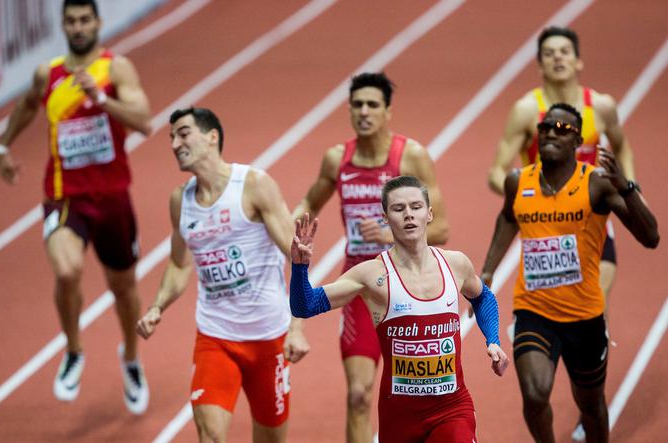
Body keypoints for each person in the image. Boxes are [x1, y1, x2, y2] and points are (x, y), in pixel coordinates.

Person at [0, 0, 151, 414]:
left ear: (98, 22)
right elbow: (28, 105)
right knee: (66, 270)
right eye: (71, 21)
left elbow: (143, 120)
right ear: (63, 26)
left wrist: (101, 99)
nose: (78, 27)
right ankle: (75, 350)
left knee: (123, 289)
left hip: (114, 197)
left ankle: (131, 358)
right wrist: (5, 144)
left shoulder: (116, 69)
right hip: (66, 196)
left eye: (85, 19)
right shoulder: (50, 73)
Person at [486, 27, 637, 439]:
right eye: (549, 52)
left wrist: (629, 188)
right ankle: (563, 361)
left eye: (565, 51)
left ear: (578, 60)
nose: (557, 58)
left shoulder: (600, 106)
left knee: (594, 304)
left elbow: (621, 147)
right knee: (549, 328)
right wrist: (523, 194)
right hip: (544, 226)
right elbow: (497, 169)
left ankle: (587, 396)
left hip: (591, 223)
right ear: (538, 64)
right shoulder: (524, 110)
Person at [292, 72, 450, 442]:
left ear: (388, 111)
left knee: (420, 394)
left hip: (409, 285)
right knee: (359, 395)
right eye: (357, 104)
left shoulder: (410, 156)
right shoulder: (337, 160)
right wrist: (279, 225)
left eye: (372, 105)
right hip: (362, 286)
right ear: (349, 110)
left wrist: (389, 233)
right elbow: (308, 203)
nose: (364, 111)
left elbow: (441, 228)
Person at [290, 175, 508, 442]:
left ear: (429, 214)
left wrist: (493, 340)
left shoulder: (455, 264)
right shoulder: (371, 275)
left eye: (416, 207)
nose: (408, 215)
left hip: (451, 409)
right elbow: (305, 306)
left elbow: (483, 297)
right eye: (398, 208)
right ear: (385, 217)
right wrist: (300, 267)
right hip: (399, 418)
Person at [136, 107, 310, 442]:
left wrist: (297, 328)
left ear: (211, 136)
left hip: (268, 337)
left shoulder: (254, 186)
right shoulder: (180, 200)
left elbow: (297, 257)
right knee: (211, 436)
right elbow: (178, 264)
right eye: (171, 137)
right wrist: (158, 306)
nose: (174, 143)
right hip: (215, 337)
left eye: (183, 133)